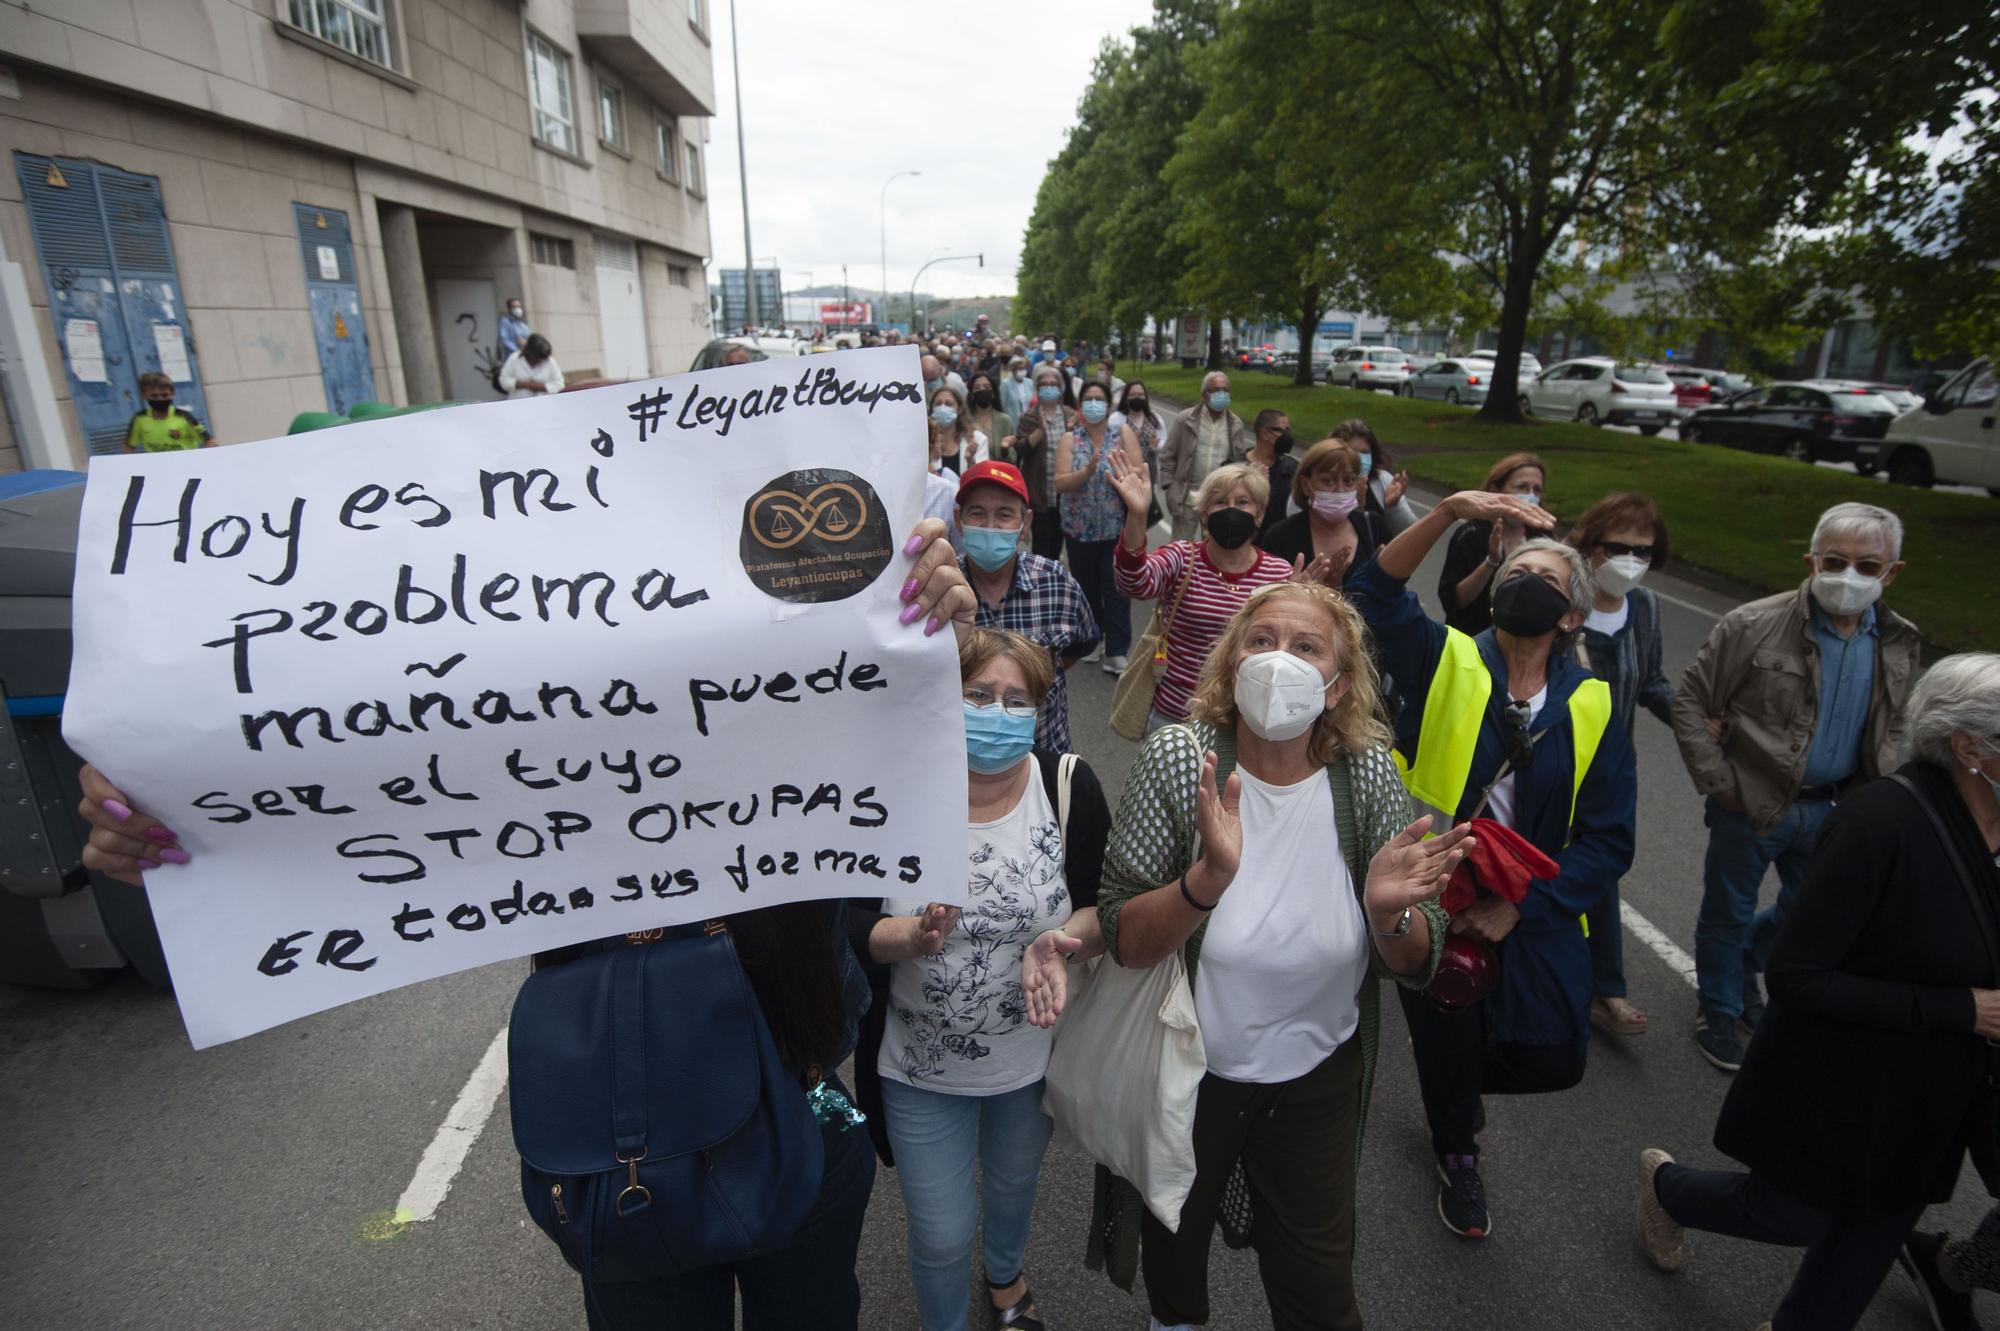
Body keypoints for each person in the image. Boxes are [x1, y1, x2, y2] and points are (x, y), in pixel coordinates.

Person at [71, 517, 978, 1331]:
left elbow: (895, 729)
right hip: (624, 1147)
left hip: (804, 1108)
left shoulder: (798, 665)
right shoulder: (526, 696)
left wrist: (936, 632)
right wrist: (175, 801)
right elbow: (354, 746)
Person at [1089, 581, 1468, 1330]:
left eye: (1305, 646)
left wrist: (1389, 916)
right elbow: (1122, 935)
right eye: (1260, 641)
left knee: (1319, 1289)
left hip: (1316, 1077)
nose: (1278, 660)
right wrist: (1204, 883)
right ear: (1230, 666)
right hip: (1183, 1071)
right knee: (1173, 1251)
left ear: (1341, 684)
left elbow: (1417, 956)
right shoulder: (1180, 757)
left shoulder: (1368, 774)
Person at [1635, 652, 2000, 1331]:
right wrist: (1959, 1008)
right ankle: (1667, 1187)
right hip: (1845, 1084)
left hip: (1934, 1102)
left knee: (1861, 1251)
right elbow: (1798, 976)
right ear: (1969, 747)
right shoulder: (1882, 823)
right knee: (1792, 1214)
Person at [1348, 492, 1637, 1240]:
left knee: (1554, 1059)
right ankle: (1457, 1150)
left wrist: (1521, 907)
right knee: (1448, 1032)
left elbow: (1609, 840)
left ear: (1572, 615)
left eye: (1546, 577)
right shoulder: (1445, 654)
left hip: (1530, 909)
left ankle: (1456, 1086)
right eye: (1517, 568)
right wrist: (1446, 513)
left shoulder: (1596, 705)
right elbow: (1373, 591)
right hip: (1431, 894)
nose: (1524, 581)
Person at [851, 628, 1111, 1331]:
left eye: (1015, 699)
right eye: (977, 694)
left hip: (1028, 1062)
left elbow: (1099, 903)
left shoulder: (1067, 785)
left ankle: (1005, 1276)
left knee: (1012, 1186)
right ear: (945, 697)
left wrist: (1065, 941)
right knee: (939, 1229)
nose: (996, 712)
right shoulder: (892, 793)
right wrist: (911, 936)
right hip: (915, 1066)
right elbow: (845, 924)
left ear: (1038, 709)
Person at [1671, 501, 1921, 1072]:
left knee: (1816, 912)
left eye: (1867, 565)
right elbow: (1691, 701)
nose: (1849, 577)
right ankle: (1719, 1009)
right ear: (1812, 561)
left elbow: (1900, 718)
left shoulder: (1898, 640)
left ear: (1893, 572)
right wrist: (1719, 781)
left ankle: (1743, 971)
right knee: (1727, 911)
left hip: (1841, 807)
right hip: (1753, 803)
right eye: (1835, 561)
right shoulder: (1752, 624)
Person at [1564, 493, 1676, 1039]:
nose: (1630, 560)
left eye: (1643, 551)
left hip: (1614, 767)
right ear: (1589, 546)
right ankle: (1589, 983)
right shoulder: (1562, 598)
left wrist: (1699, 720)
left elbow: (1651, 681)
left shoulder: (1647, 608)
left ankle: (1602, 987)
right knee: (1558, 867)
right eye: (1618, 548)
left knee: (1602, 867)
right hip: (1558, 762)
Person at [1105, 460, 1294, 737]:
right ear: (1204, 514)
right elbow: (1134, 582)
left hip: (1242, 723)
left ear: (1259, 514)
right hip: (1174, 717)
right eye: (1220, 501)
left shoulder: (1280, 573)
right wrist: (1137, 516)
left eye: (1242, 502)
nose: (1231, 510)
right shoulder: (1183, 557)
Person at [951, 460, 1099, 753]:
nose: (990, 527)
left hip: (1045, 755)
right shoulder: (943, 593)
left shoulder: (1056, 583)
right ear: (959, 521)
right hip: (962, 763)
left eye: (1004, 515)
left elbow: (1082, 643)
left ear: (1024, 524)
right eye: (977, 513)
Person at [1056, 380, 1145, 674]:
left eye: (1099, 398)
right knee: (1086, 587)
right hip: (1079, 528)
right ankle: (1092, 640)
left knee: (1116, 587)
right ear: (1081, 406)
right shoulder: (1071, 438)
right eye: (1089, 399)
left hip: (1114, 527)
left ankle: (1117, 649)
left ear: (1107, 405)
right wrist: (1088, 470)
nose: (1094, 403)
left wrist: (1122, 476)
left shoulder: (1122, 433)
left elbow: (1138, 472)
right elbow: (1060, 482)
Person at [1435, 452, 1547, 635]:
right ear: (1496, 490)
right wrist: (1491, 562)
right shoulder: (1471, 535)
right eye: (1522, 487)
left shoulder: (1542, 537)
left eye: (1537, 490)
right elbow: (1455, 602)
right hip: (1472, 641)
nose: (1530, 496)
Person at [1256, 440, 1388, 593]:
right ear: (1306, 485)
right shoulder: (1280, 537)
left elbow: (1393, 595)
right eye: (1328, 481)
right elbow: (1265, 601)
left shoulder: (1374, 526)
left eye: (1348, 481)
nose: (1340, 490)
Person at [1157, 371, 1252, 542]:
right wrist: (1170, 486)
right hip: (1187, 497)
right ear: (1203, 394)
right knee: (1181, 548)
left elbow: (1239, 461)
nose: (1221, 394)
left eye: (1225, 390)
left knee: (1213, 549)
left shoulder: (1235, 424)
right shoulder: (1186, 419)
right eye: (1216, 390)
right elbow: (1168, 455)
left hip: (1219, 499)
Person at [1013, 363, 1080, 561]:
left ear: (1060, 389)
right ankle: (1041, 583)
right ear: (1038, 389)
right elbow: (1022, 449)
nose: (1049, 387)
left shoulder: (1070, 415)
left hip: (1065, 492)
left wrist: (1071, 431)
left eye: (1053, 384)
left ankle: (1056, 579)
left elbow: (1079, 451)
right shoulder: (1029, 417)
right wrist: (1040, 431)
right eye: (1044, 384)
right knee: (1042, 543)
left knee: (1058, 541)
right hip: (1039, 491)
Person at [1330, 419, 1414, 536]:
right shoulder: (1324, 483)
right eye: (1353, 452)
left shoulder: (1383, 480)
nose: (1359, 458)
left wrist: (1393, 507)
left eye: (1365, 452)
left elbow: (1412, 534)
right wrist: (1355, 507)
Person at [123, 371, 216, 452]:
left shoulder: (184, 417)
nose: (160, 399)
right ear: (144, 395)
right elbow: (129, 446)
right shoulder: (139, 419)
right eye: (154, 396)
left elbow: (210, 441)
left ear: (173, 394)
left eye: (165, 395)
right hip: (157, 468)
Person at [1245, 410, 1298, 539]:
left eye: (1288, 431)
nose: (1287, 436)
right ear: (1265, 433)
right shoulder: (1235, 468)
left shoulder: (1292, 468)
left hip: (1280, 542)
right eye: (1282, 431)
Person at [1111, 380, 1168, 492]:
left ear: (1146, 397)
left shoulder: (1154, 418)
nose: (1137, 398)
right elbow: (1110, 445)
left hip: (1149, 473)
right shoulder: (1116, 419)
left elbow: (1164, 442)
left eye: (1140, 395)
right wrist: (1129, 443)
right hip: (1125, 473)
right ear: (1126, 398)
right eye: (1133, 395)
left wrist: (1156, 446)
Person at [963, 370, 1015, 468]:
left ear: (993, 394)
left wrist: (1005, 448)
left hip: (997, 475)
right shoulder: (965, 420)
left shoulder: (1004, 420)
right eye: (977, 388)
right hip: (971, 474)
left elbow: (1013, 458)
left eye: (986, 387)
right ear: (972, 394)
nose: (982, 390)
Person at [929, 384, 984, 476]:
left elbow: (983, 478)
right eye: (938, 404)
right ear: (932, 409)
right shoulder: (923, 442)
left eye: (949, 404)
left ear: (960, 409)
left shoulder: (978, 439)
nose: (943, 408)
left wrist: (970, 461)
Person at [498, 333, 566, 399]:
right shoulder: (514, 359)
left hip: (544, 404)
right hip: (518, 404)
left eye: (541, 359)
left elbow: (560, 384)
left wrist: (539, 386)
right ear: (529, 352)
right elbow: (503, 381)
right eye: (536, 358)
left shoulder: (550, 362)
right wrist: (524, 385)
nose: (539, 361)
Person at [1000, 355, 1033, 421]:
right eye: (1020, 369)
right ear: (1013, 370)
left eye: (1024, 368)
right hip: (1012, 421)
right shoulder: (1005, 384)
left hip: (1028, 421)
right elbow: (1002, 406)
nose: (1022, 370)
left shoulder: (1030, 382)